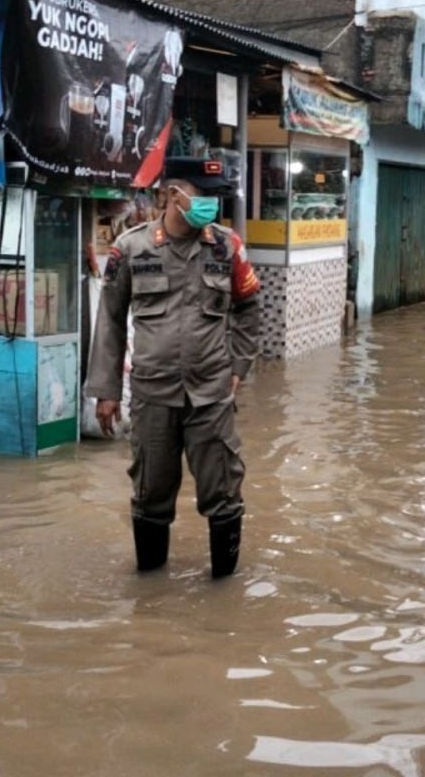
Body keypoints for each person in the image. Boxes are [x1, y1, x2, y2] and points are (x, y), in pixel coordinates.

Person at [85, 156, 262, 578]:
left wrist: (238, 366)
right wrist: (107, 391)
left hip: (211, 395)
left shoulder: (226, 246)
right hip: (152, 395)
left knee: (223, 491)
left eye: (216, 198)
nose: (211, 207)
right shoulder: (130, 249)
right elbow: (109, 319)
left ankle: (223, 598)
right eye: (203, 196)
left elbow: (250, 308)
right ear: (171, 194)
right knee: (150, 494)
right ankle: (149, 597)